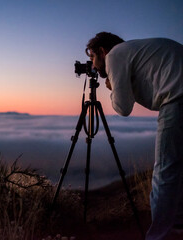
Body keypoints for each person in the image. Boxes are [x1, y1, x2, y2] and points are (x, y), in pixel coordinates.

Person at [86, 32, 183, 240]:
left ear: (103, 51)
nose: (93, 66)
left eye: (93, 58)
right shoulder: (136, 51)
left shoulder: (114, 55)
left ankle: (159, 236)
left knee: (165, 172)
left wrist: (113, 88)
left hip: (177, 99)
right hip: (178, 94)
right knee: (178, 169)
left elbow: (123, 107)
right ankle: (177, 226)